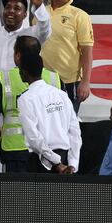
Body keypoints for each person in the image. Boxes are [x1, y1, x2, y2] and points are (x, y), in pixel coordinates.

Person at [0, 36, 61, 173]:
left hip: (16, 152)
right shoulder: (55, 79)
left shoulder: (5, 79)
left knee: (16, 194)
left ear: (18, 55)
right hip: (51, 152)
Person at [17, 45, 81, 174]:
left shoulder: (26, 99)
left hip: (40, 161)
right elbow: (75, 132)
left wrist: (56, 162)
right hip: (65, 159)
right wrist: (73, 164)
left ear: (23, 72)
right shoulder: (61, 95)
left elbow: (33, 137)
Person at [40, 0, 93, 113]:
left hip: (68, 82)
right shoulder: (39, 13)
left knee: (67, 128)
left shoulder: (80, 16)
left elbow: (87, 51)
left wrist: (85, 82)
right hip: (42, 81)